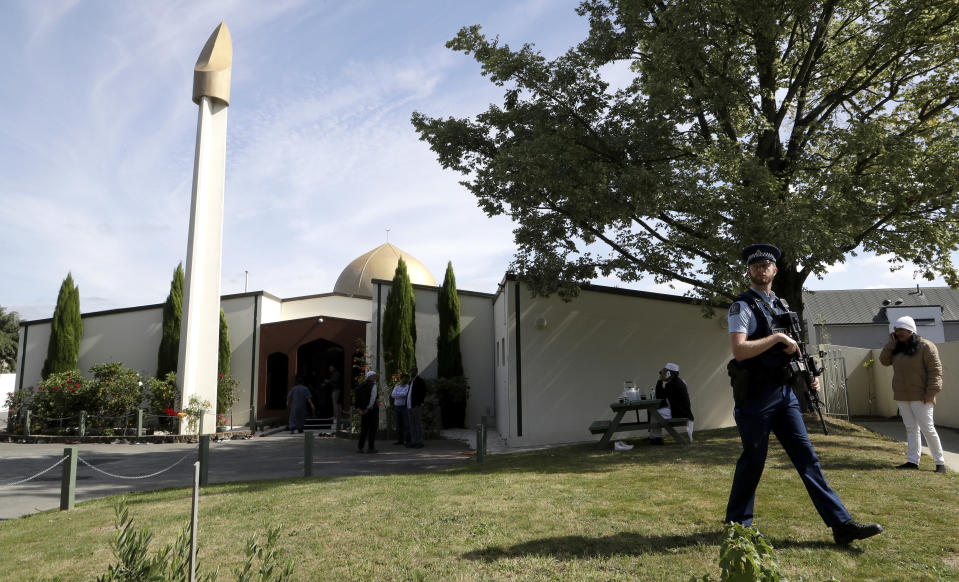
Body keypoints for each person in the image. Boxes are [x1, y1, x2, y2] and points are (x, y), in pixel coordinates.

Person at [726, 243, 882, 545]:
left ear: (775, 270)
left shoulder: (783, 305)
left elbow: (796, 347)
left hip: (785, 394)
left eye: (766, 265)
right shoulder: (741, 306)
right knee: (753, 460)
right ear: (749, 270)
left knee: (808, 459)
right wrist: (776, 337)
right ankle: (738, 528)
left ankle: (841, 525)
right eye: (754, 266)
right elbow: (739, 350)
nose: (760, 269)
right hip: (756, 395)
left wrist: (810, 378)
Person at [879, 316, 947, 473]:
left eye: (902, 330)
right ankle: (912, 461)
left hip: (922, 396)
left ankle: (940, 463)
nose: (898, 333)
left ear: (911, 330)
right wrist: (891, 344)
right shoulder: (896, 347)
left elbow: (936, 372)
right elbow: (884, 360)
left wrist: (932, 392)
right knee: (911, 428)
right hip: (902, 395)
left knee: (928, 429)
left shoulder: (926, 347)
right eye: (896, 330)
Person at [650, 363, 694, 444]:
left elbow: (659, 396)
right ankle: (654, 437)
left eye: (663, 372)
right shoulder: (677, 381)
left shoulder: (672, 384)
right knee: (654, 412)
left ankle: (656, 438)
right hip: (681, 411)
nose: (661, 374)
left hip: (679, 412)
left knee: (654, 412)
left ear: (669, 373)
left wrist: (659, 380)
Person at [354, 370, 379, 453]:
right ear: (370, 376)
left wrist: (360, 409)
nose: (375, 377)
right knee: (372, 429)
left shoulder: (360, 386)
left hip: (363, 410)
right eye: (374, 376)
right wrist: (368, 408)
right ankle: (371, 448)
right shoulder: (373, 385)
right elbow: (372, 398)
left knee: (364, 429)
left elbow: (357, 398)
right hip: (371, 410)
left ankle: (360, 447)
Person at [405, 366, 426, 448]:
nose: (412, 372)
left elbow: (423, 393)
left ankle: (419, 442)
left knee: (418, 424)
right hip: (409, 406)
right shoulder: (411, 382)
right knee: (412, 425)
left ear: (416, 371)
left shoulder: (420, 381)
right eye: (411, 371)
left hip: (416, 406)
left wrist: (419, 403)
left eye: (413, 371)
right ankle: (413, 441)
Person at [391, 372, 411, 445]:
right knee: (399, 424)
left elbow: (405, 394)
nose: (406, 380)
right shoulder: (397, 387)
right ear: (401, 379)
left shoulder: (408, 387)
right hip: (397, 407)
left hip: (404, 407)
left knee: (406, 424)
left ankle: (408, 440)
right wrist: (400, 394)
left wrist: (398, 394)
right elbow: (393, 395)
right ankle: (400, 440)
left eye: (407, 379)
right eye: (404, 378)